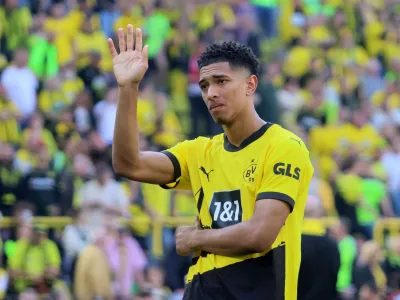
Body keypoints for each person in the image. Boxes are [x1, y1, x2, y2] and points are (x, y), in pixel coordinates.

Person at [109, 25, 314, 300]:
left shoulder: (285, 147)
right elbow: (128, 164)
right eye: (204, 86)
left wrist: (197, 239)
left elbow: (259, 235)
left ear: (250, 85)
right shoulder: (199, 151)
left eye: (221, 81)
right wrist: (129, 87)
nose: (210, 93)